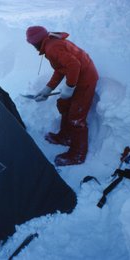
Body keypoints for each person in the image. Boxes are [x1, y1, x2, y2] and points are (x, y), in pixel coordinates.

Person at [26, 26, 99, 166]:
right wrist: (48, 89)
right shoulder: (50, 43)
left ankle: (78, 154)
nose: (31, 46)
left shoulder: (52, 47)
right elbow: (60, 69)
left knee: (76, 118)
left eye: (31, 43)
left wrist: (70, 87)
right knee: (63, 104)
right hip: (77, 78)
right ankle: (66, 137)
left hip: (85, 80)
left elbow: (74, 65)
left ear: (36, 41)